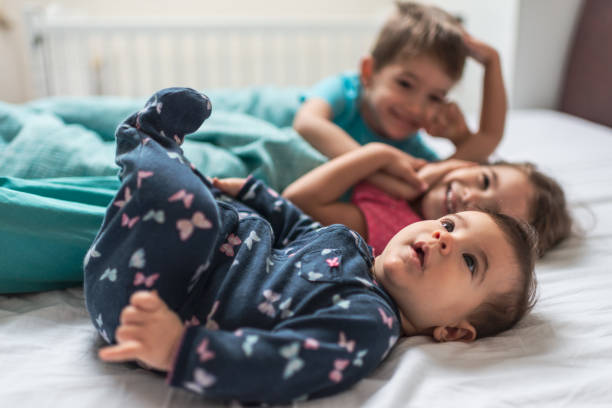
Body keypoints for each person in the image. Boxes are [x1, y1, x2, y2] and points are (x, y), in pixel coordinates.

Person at [85, 87, 537, 404]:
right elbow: (301, 228)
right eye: (449, 224)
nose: (442, 239)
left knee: (193, 209)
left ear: (454, 330)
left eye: (469, 261)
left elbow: (281, 364)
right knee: (208, 206)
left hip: (158, 299)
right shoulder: (356, 248)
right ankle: (160, 169)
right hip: (184, 253)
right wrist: (258, 195)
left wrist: (177, 350)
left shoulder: (369, 322)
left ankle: (146, 141)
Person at [294, 1, 507, 198]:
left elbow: (488, 138)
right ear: (369, 72)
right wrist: (379, 168)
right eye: (405, 84)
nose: (415, 108)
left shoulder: (411, 153)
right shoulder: (347, 90)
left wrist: (492, 62)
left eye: (434, 97)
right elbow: (307, 123)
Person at [280, 143, 572, 256]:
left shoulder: (398, 228)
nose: (469, 196)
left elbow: (295, 201)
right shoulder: (428, 170)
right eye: (484, 180)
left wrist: (379, 154)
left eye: (485, 212)